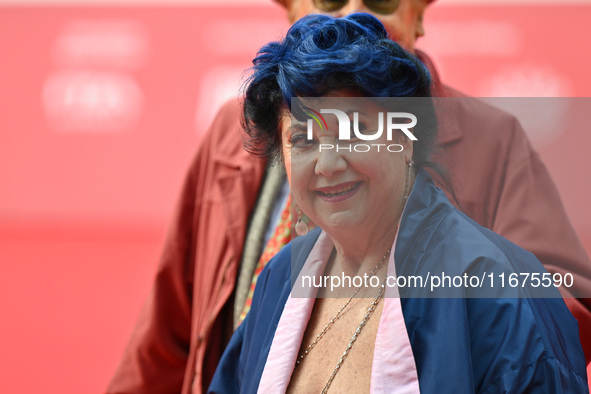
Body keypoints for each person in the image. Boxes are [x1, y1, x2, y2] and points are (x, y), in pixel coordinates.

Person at [107, 1, 591, 393]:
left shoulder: (492, 281)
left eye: (358, 130)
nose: (355, 15)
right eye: (303, 139)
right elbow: (168, 331)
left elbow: (551, 317)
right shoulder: (278, 276)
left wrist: (455, 314)